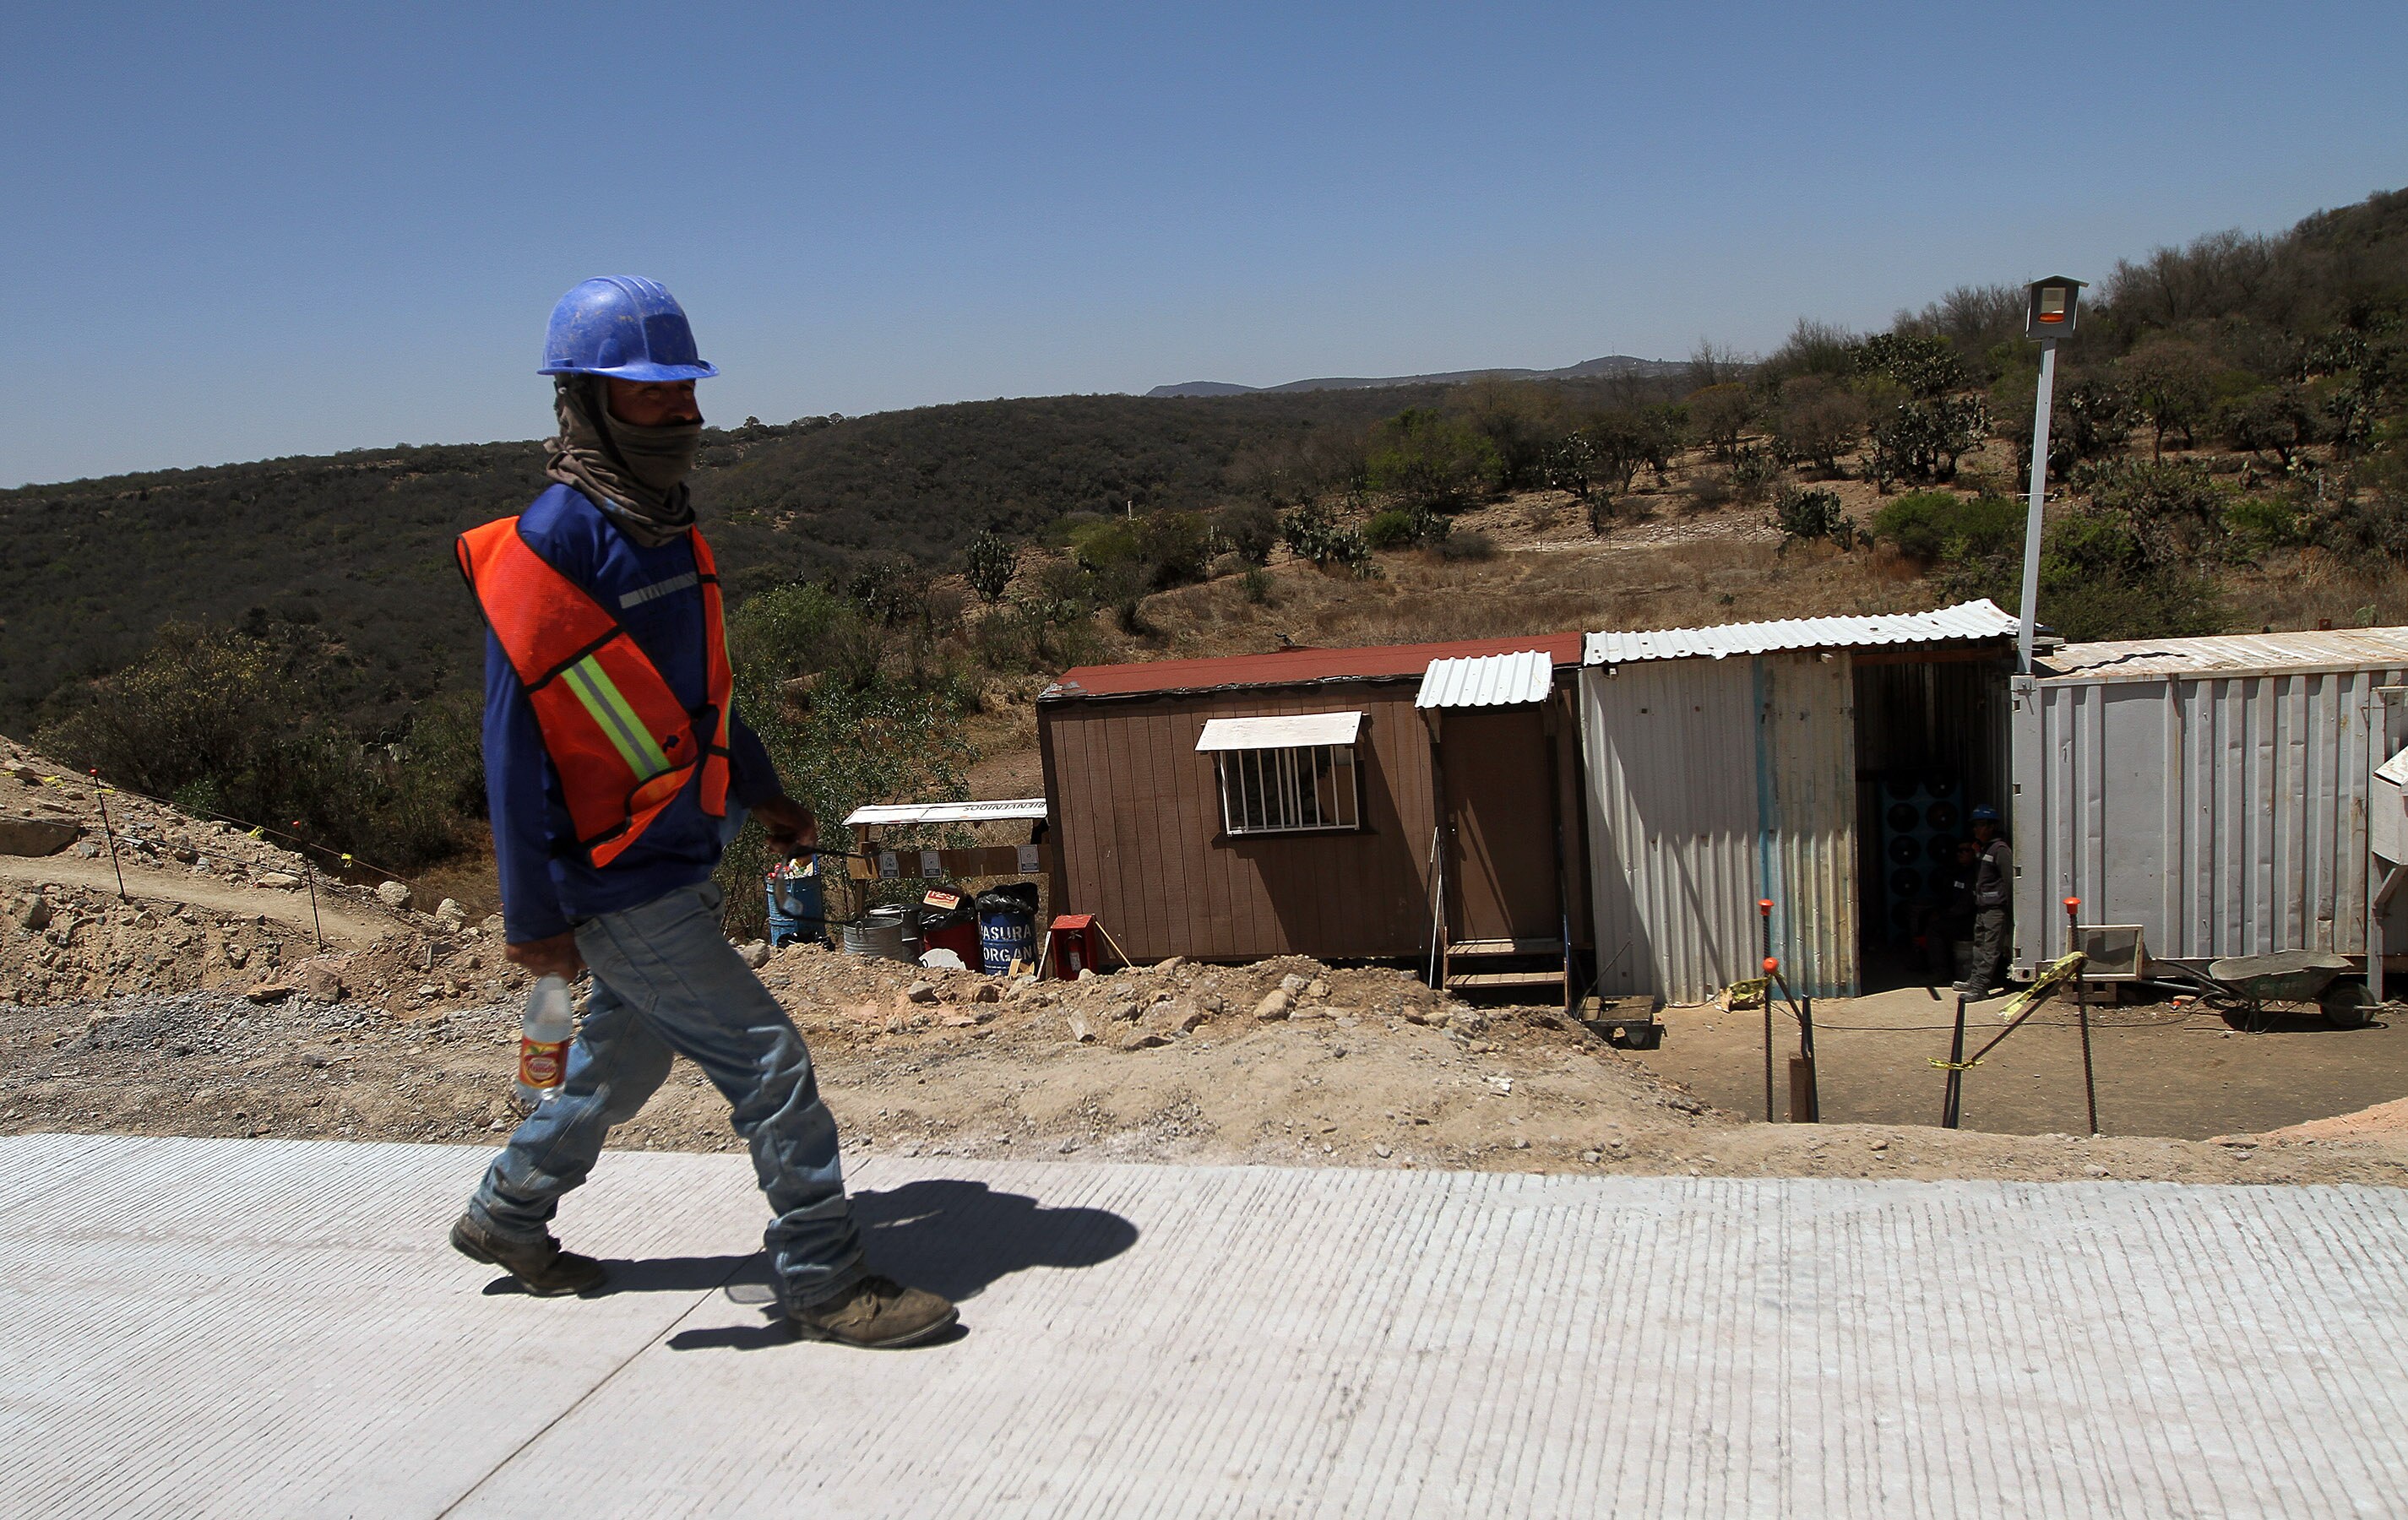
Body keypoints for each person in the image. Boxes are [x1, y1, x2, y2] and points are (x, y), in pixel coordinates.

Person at [448, 276, 956, 1349]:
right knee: (770, 1062)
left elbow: (701, 697)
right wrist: (531, 919)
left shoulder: (667, 526)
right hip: (612, 882)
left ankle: (505, 1214)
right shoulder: (556, 545)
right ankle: (822, 1276)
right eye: (650, 394)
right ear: (586, 403)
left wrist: (766, 792)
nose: (680, 414)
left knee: (617, 1066)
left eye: (684, 389)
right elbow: (513, 748)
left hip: (671, 851)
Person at [1955, 805, 2011, 996]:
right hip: (1983, 907)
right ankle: (1975, 980)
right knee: (1979, 946)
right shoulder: (1985, 849)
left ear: (1991, 827)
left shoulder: (2000, 850)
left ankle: (1981, 988)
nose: (1976, 830)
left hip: (1995, 909)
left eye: (1980, 825)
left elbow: (2009, 880)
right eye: (1975, 826)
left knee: (1990, 949)